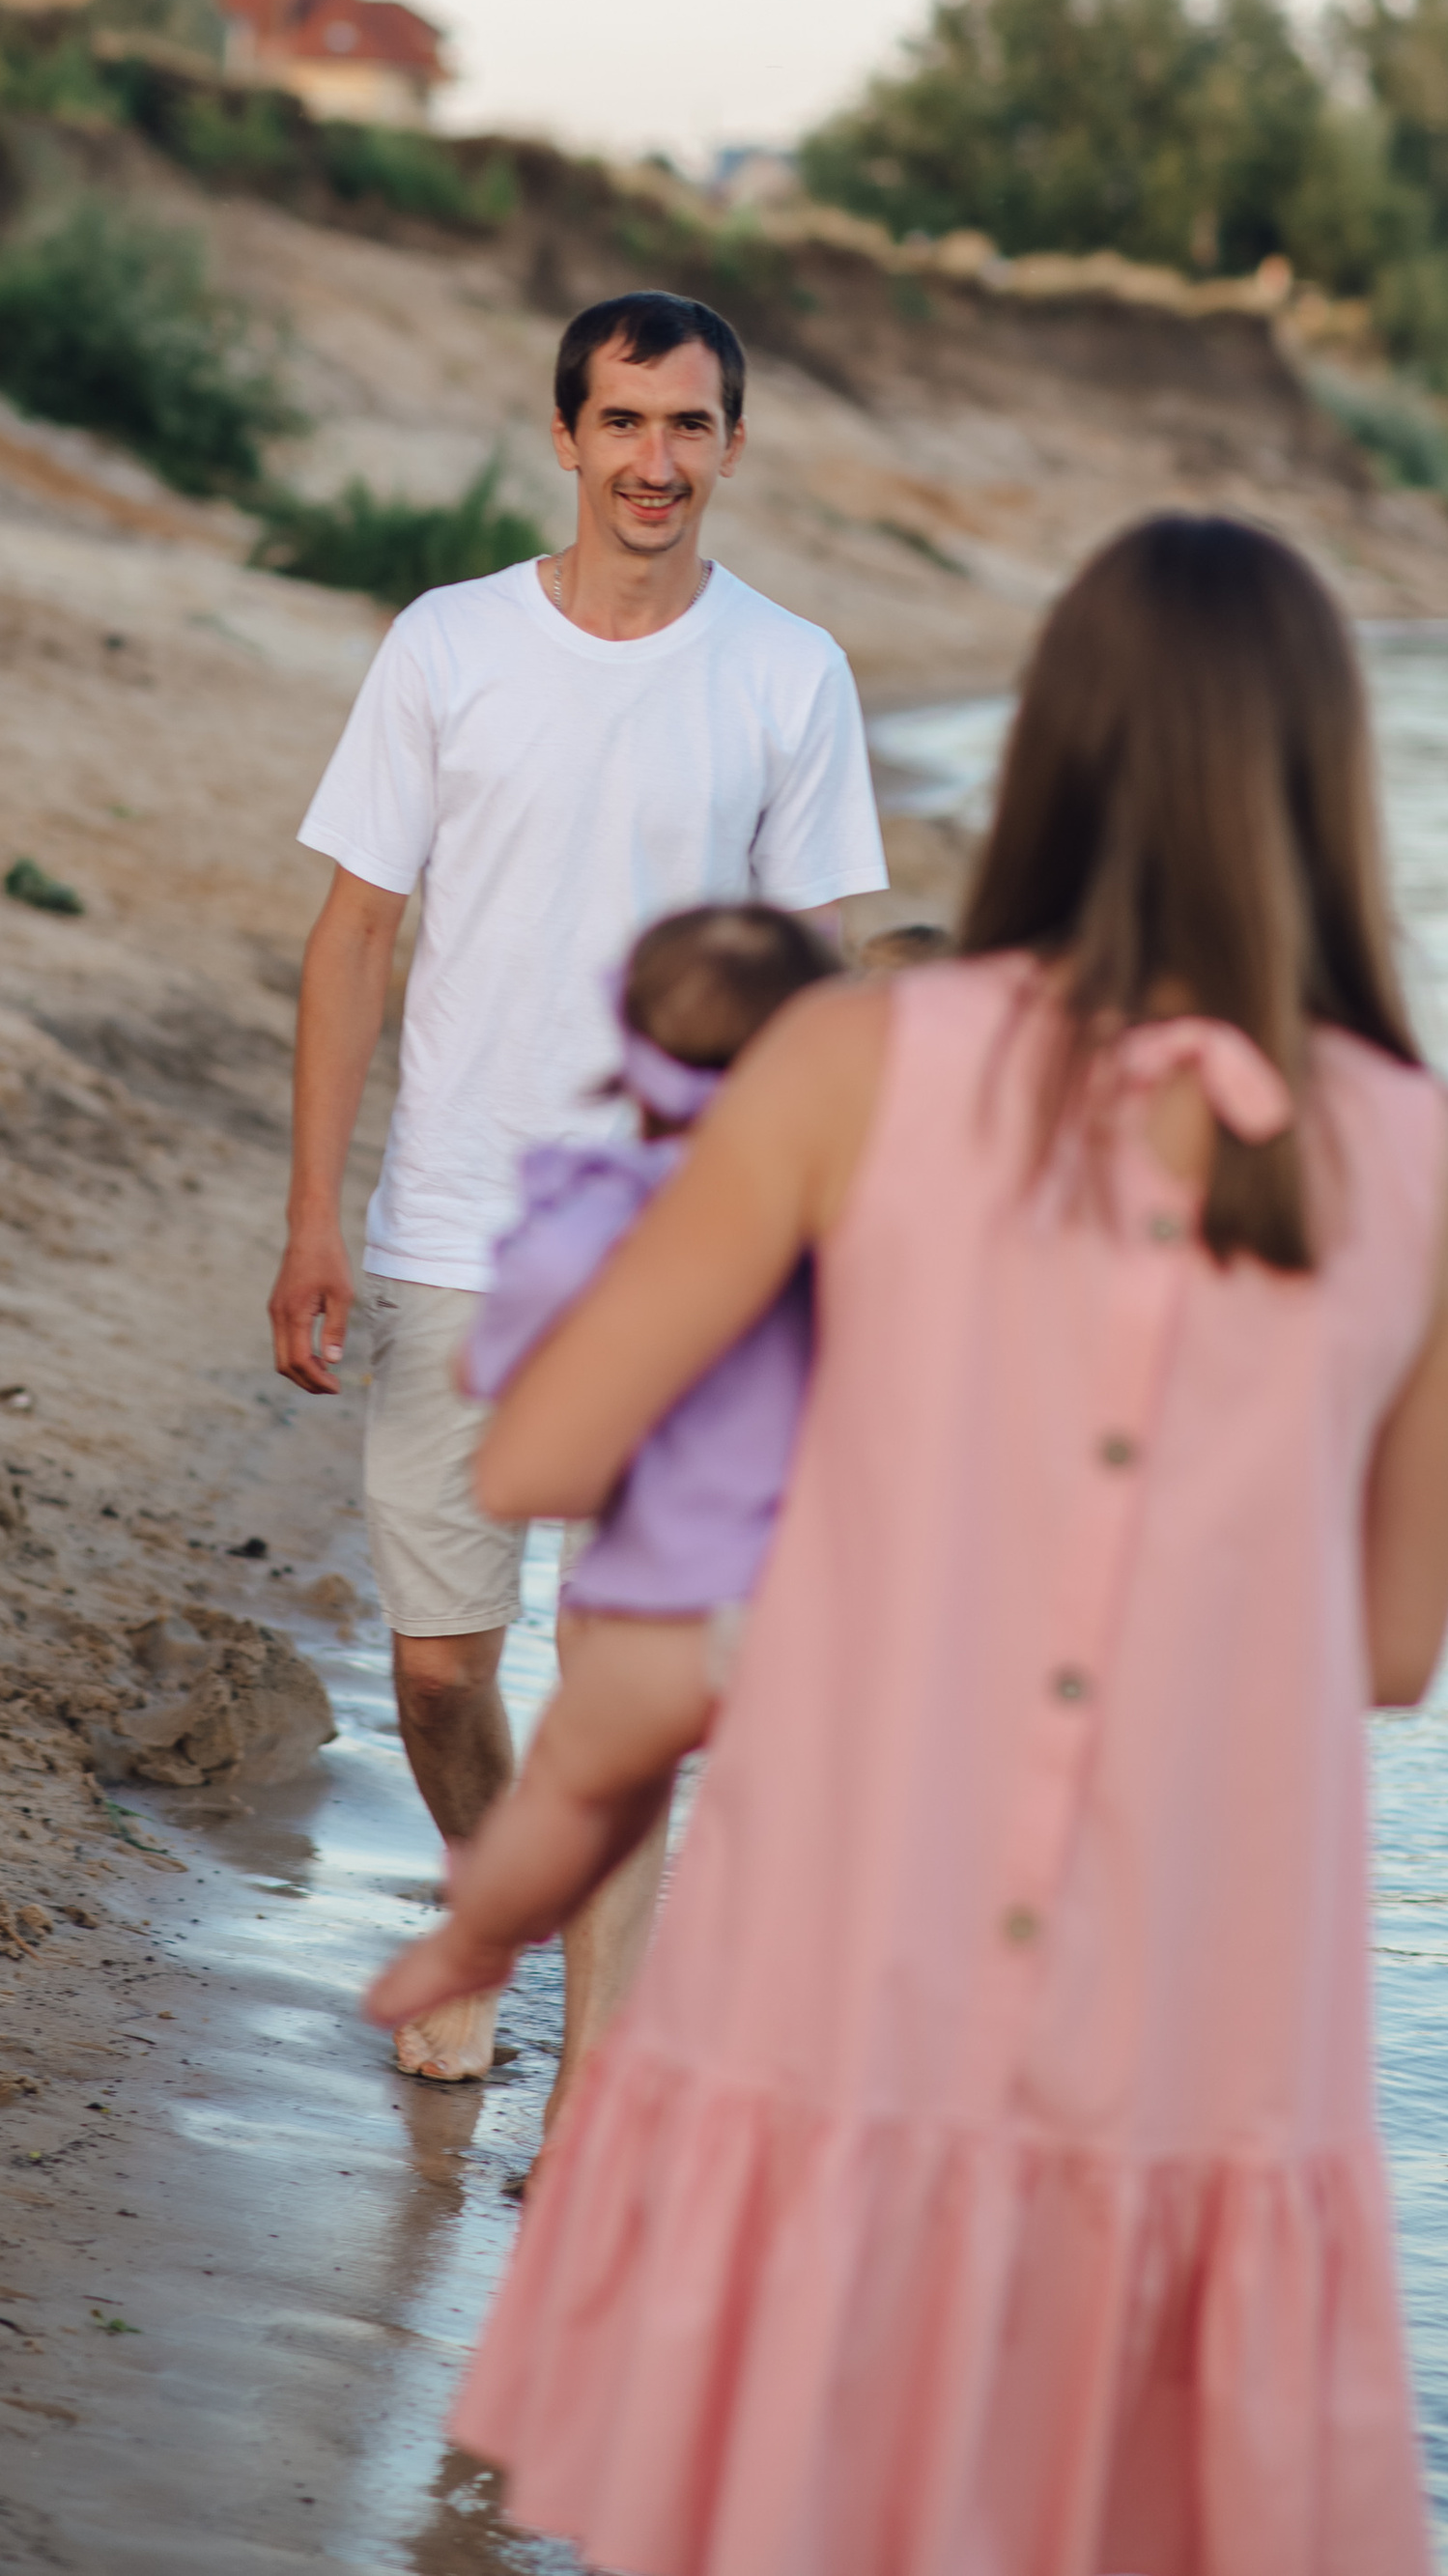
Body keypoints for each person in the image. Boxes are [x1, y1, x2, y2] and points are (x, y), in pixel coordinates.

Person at [442, 511, 1448, 2576]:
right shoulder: (1423, 1150)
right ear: (1328, 779)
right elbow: (1388, 1643)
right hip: (1208, 1985)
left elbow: (545, 1446)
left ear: (1051, 752)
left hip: (862, 1920)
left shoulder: (860, 1056)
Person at [267, 292, 888, 2114]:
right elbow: (353, 938)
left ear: (733, 446)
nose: (655, 460)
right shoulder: (448, 645)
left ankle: (595, 2096)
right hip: (456, 1225)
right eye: (623, 422)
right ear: (565, 437)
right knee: (439, 1670)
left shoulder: (790, 671)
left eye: (689, 425)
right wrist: (313, 1216)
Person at [366, 902, 835, 2041]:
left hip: (662, 1621)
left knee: (576, 1796)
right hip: (801, 1633)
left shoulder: (592, 1211)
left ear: (626, 1049)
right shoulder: (852, 1227)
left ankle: (473, 1948)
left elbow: (521, 1463)